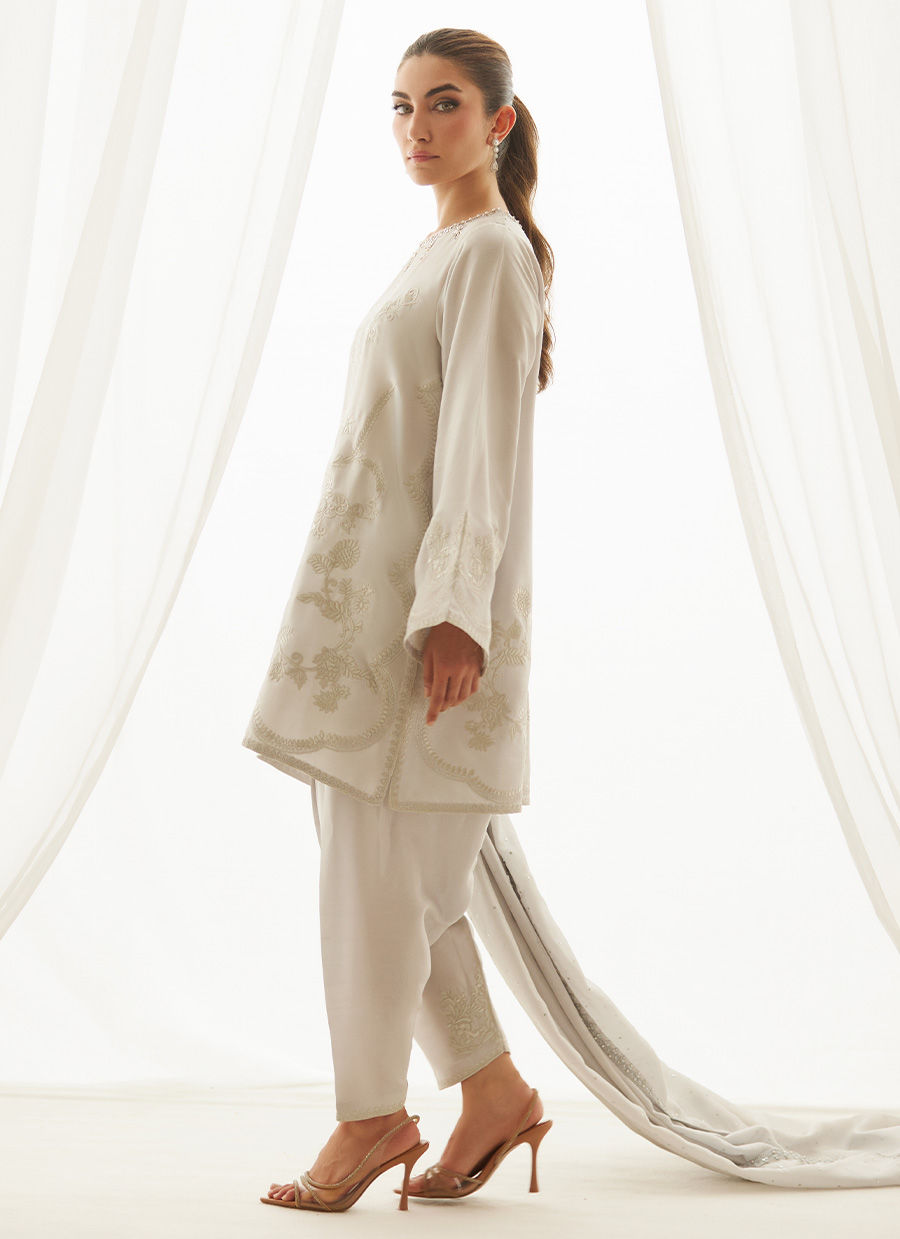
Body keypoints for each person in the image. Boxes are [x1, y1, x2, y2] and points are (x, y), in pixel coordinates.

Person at [250, 27, 556, 1212]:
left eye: (444, 104)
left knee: (376, 882)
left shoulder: (492, 254)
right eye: (401, 106)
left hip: (424, 627)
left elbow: (481, 443)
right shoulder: (439, 252)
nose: (417, 128)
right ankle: (494, 1095)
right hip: (370, 616)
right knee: (389, 877)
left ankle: (370, 1115)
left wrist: (455, 613)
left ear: (498, 122)